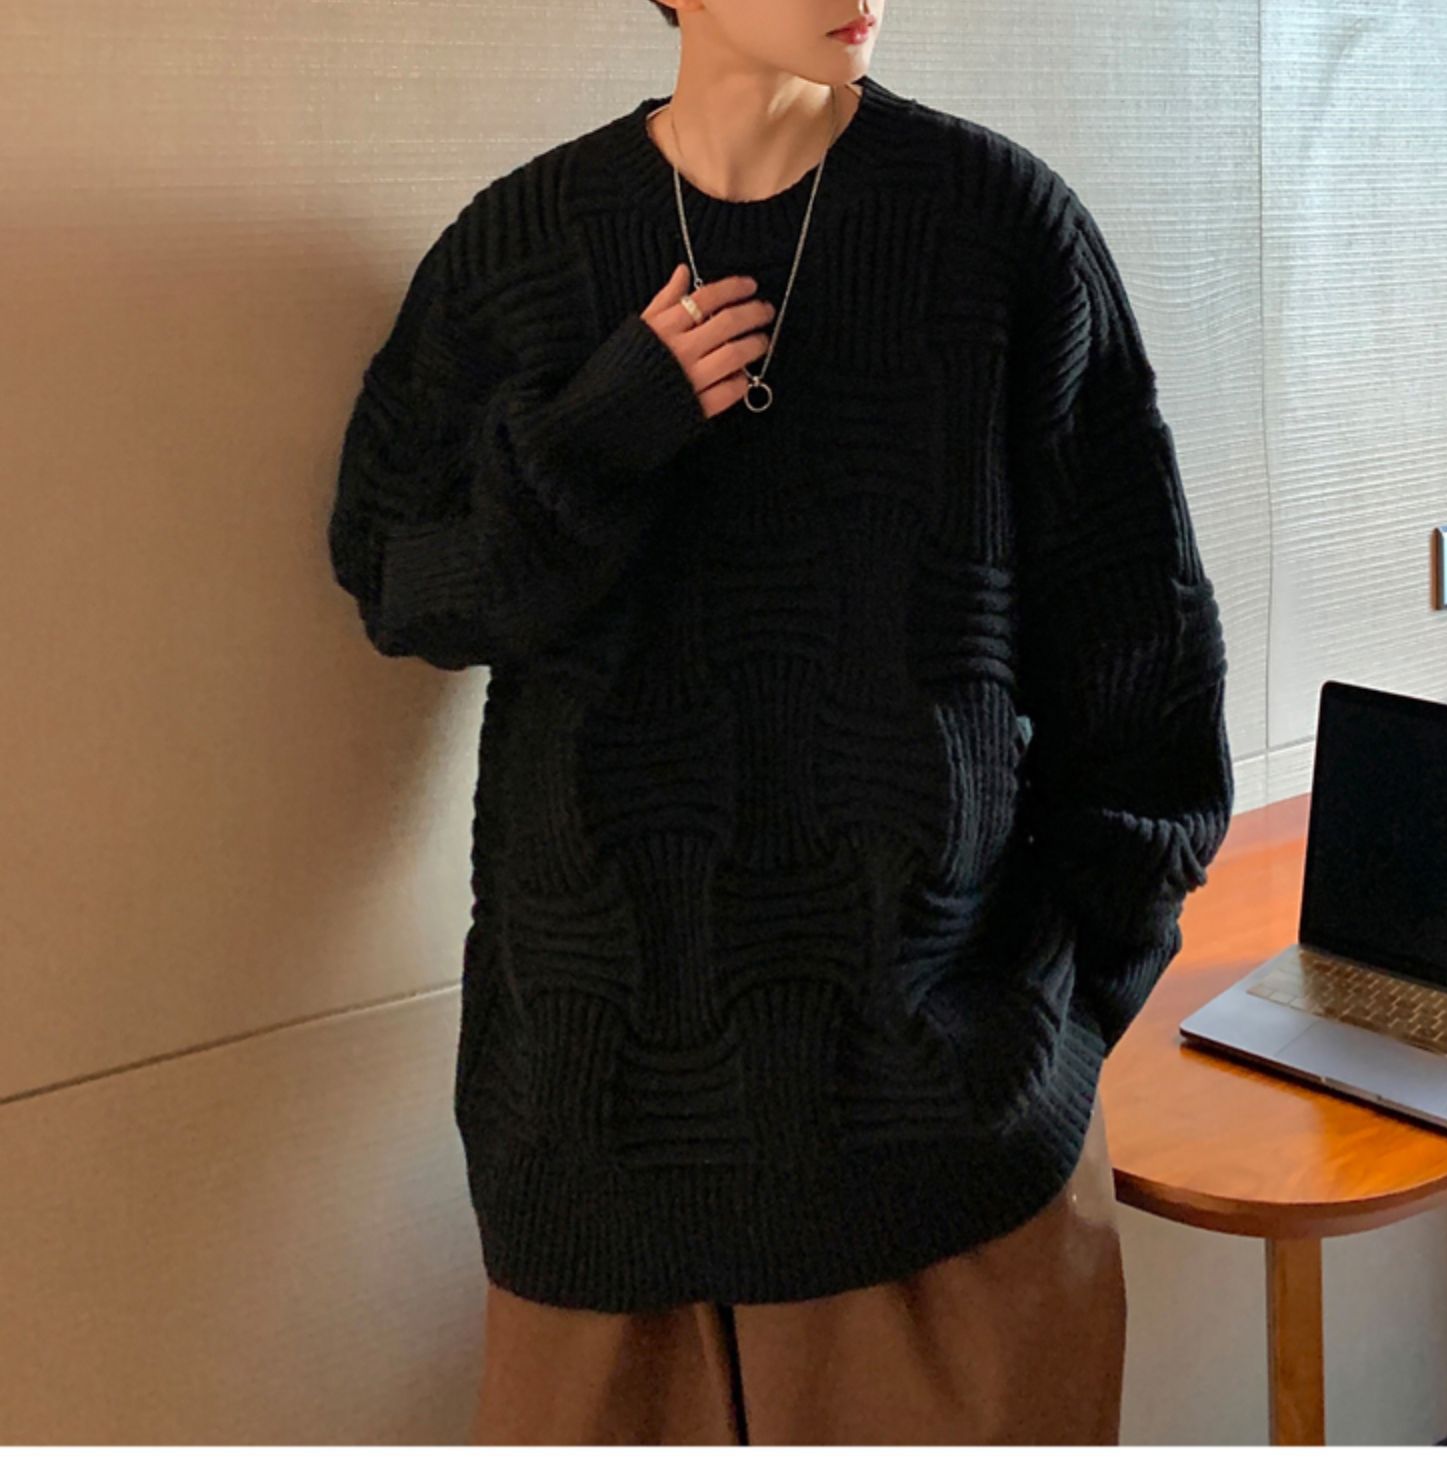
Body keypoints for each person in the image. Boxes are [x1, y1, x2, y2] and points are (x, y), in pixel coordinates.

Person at [327, 0, 1234, 1446]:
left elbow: (1147, 678)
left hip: (945, 1167)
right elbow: (397, 582)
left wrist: (1045, 1032)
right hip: (596, 1174)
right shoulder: (519, 251)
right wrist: (592, 441)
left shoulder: (999, 233)